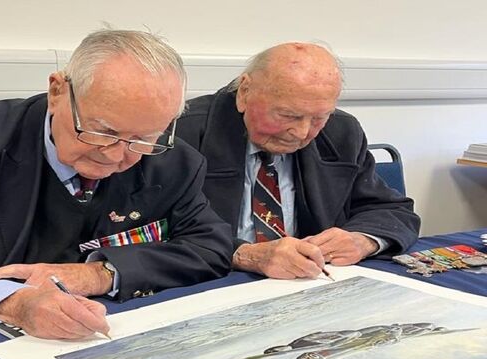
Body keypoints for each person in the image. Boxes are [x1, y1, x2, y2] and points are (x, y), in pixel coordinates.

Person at [0, 29, 233, 339]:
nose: (114, 156)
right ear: (58, 91)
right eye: (101, 131)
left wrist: (100, 274)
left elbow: (210, 247)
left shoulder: (172, 160)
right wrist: (12, 303)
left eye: (143, 138)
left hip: (97, 335)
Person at [176, 42, 420, 280]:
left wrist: (363, 239)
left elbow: (391, 210)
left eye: (318, 118)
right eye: (287, 115)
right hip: (213, 280)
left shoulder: (341, 132)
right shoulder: (180, 134)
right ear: (244, 92)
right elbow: (155, 233)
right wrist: (244, 254)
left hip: (308, 283)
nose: (302, 133)